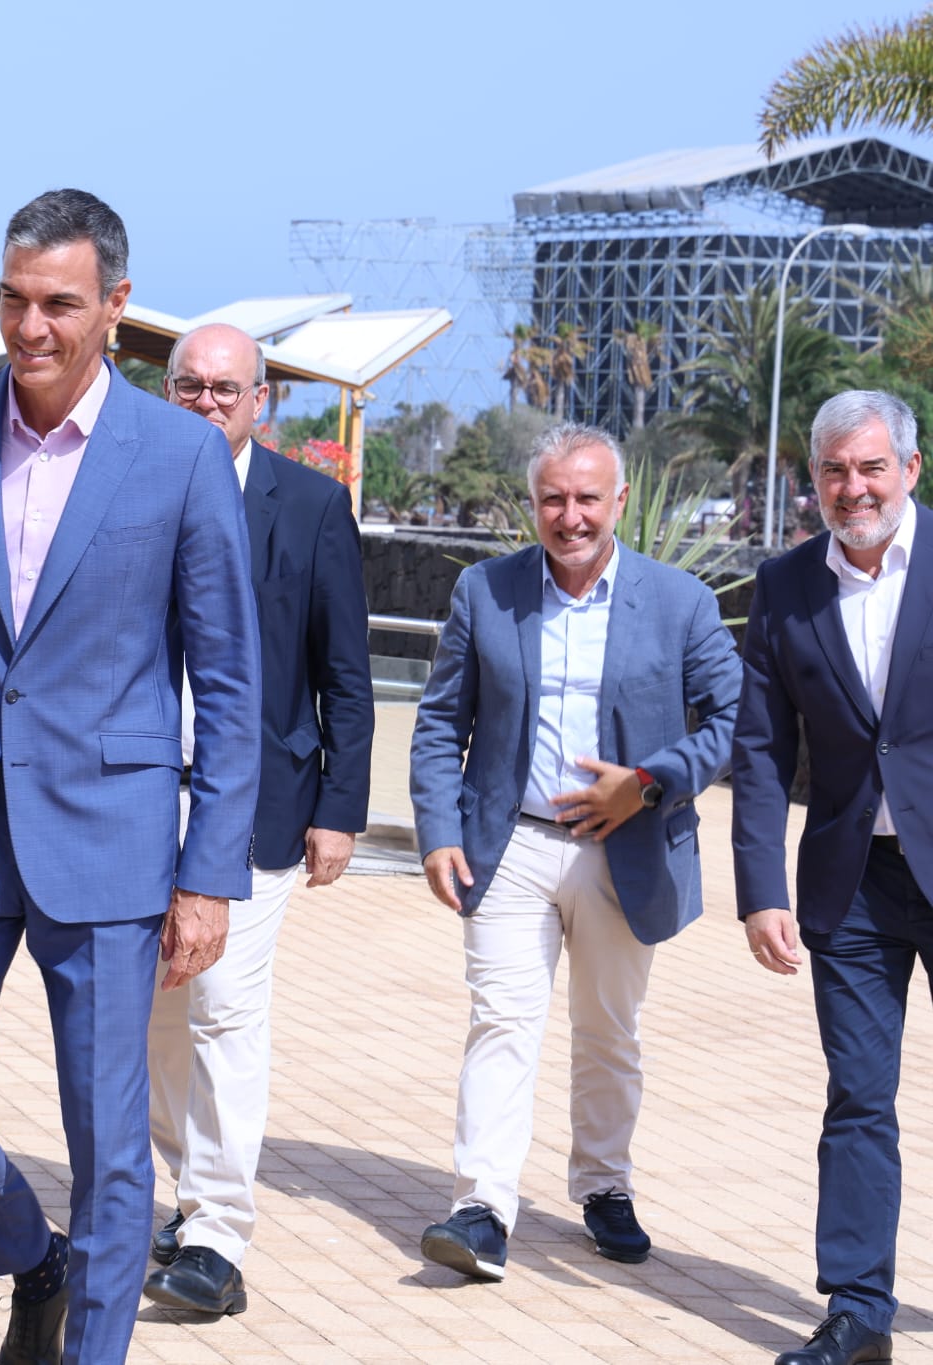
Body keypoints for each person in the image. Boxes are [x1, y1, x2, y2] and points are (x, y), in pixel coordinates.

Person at [0, 189, 261, 1365]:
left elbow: (229, 683)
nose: (29, 327)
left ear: (114, 306)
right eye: (14, 300)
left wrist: (207, 873)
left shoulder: (180, 456)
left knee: (110, 1147)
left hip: (111, 835)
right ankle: (33, 1257)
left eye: (58, 304)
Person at [408, 422, 740, 1283]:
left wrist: (650, 782)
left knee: (608, 1031)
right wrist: (438, 830)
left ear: (619, 500)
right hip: (510, 845)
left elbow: (731, 721)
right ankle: (481, 1208)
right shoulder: (487, 591)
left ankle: (604, 1186)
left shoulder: (680, 601)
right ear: (533, 503)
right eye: (553, 498)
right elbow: (441, 721)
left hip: (624, 850)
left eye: (588, 497)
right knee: (502, 1022)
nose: (571, 515)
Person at [143, 324, 373, 1314]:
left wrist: (340, 808)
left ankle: (216, 1235)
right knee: (155, 1017)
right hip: (138, 797)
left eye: (225, 389)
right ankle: (185, 1192)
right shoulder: (133, 489)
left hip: (259, 803)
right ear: (167, 393)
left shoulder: (311, 506)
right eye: (189, 387)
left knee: (225, 1008)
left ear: (261, 401)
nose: (207, 402)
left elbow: (344, 672)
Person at [733, 389, 931, 1365]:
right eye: (834, 471)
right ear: (812, 479)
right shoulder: (783, 586)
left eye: (870, 467)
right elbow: (760, 749)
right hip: (850, 884)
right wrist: (760, 889)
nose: (853, 489)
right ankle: (858, 1315)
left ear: (910, 468)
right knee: (857, 1096)